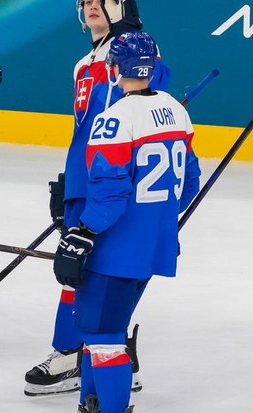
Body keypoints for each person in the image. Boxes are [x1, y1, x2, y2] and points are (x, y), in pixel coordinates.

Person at [26, 0, 164, 398]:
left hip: (111, 184)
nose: (91, 6)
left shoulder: (135, 49)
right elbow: (84, 129)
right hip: (86, 181)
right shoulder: (84, 63)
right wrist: (68, 181)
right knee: (82, 271)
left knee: (93, 272)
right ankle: (110, 348)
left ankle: (74, 352)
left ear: (121, 4)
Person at [52, 30, 198, 413]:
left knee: (103, 338)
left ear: (113, 68)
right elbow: (189, 185)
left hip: (115, 251)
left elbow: (110, 197)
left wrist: (81, 233)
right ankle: (92, 404)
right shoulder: (176, 111)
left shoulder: (113, 118)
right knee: (99, 332)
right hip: (154, 247)